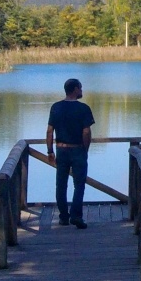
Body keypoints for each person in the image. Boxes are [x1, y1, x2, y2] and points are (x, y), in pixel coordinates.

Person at [47, 78, 95, 229]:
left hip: (61, 150)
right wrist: (85, 149)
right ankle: (76, 216)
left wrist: (50, 151)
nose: (82, 90)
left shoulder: (56, 107)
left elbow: (49, 131)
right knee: (79, 184)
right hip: (78, 149)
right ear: (75, 89)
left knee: (61, 185)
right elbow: (86, 131)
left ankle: (63, 217)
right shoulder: (83, 109)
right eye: (80, 88)